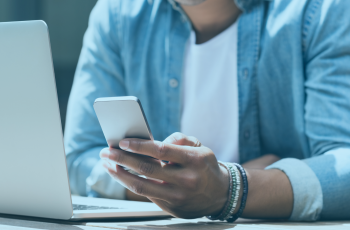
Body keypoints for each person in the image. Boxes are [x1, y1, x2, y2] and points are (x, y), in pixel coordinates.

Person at [64, 0, 350, 221]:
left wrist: (228, 188)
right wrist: (181, 189)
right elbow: (78, 158)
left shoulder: (321, 10)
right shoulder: (117, 14)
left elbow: (344, 165)